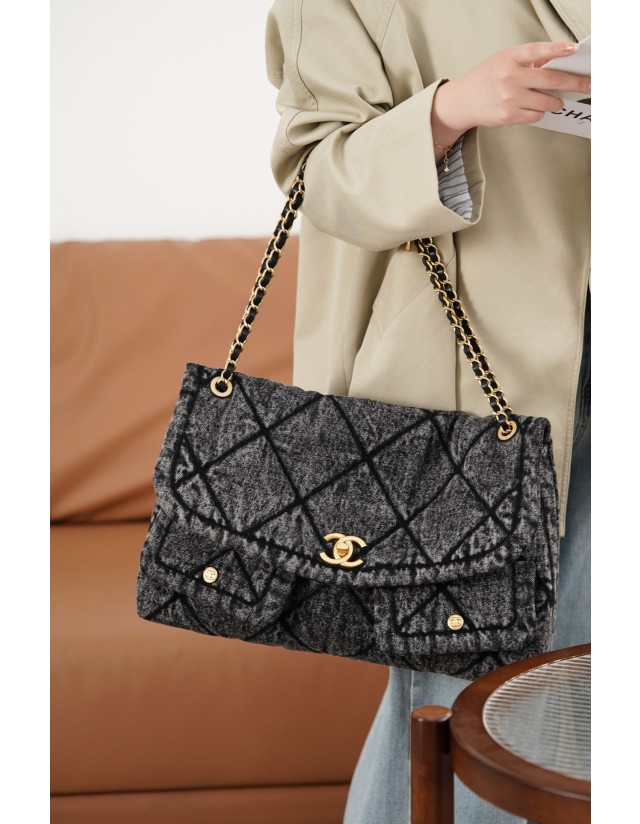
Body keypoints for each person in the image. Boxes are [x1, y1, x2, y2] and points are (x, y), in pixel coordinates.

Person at [265, 1, 590, 822]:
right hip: (482, 394)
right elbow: (317, 175)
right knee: (477, 702)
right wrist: (449, 110)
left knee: (590, 703)